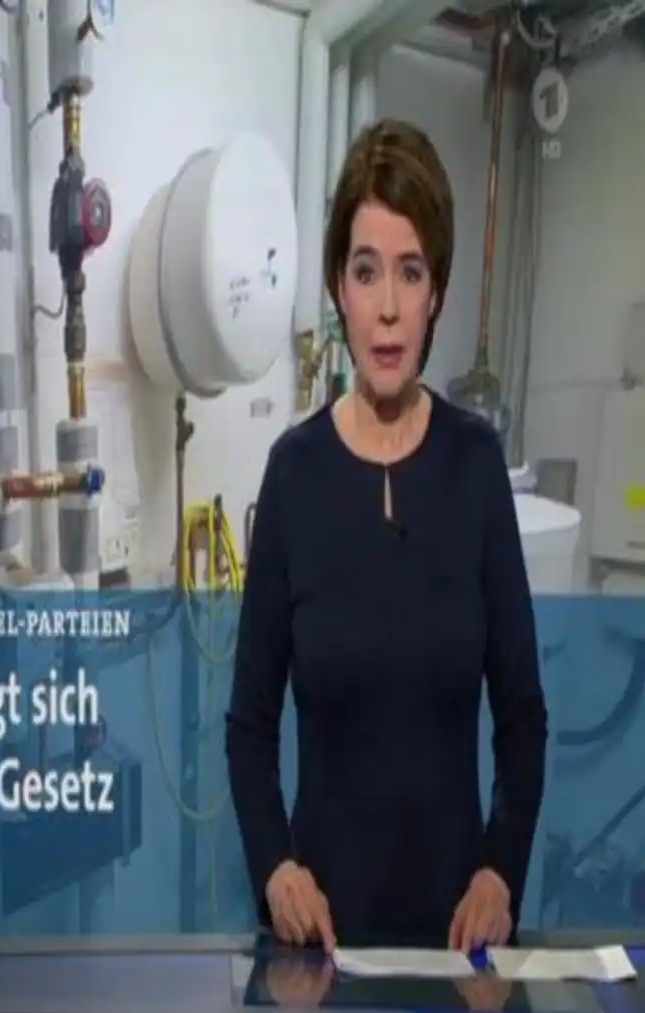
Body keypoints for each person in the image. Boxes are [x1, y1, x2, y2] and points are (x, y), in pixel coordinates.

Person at [225, 118, 548, 952]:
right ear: (339, 285)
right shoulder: (293, 475)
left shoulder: (475, 465)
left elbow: (522, 715)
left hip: (456, 951)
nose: (390, 308)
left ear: (437, 289)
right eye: (367, 272)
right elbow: (249, 726)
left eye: (412, 271)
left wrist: (501, 874)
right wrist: (276, 870)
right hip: (321, 953)